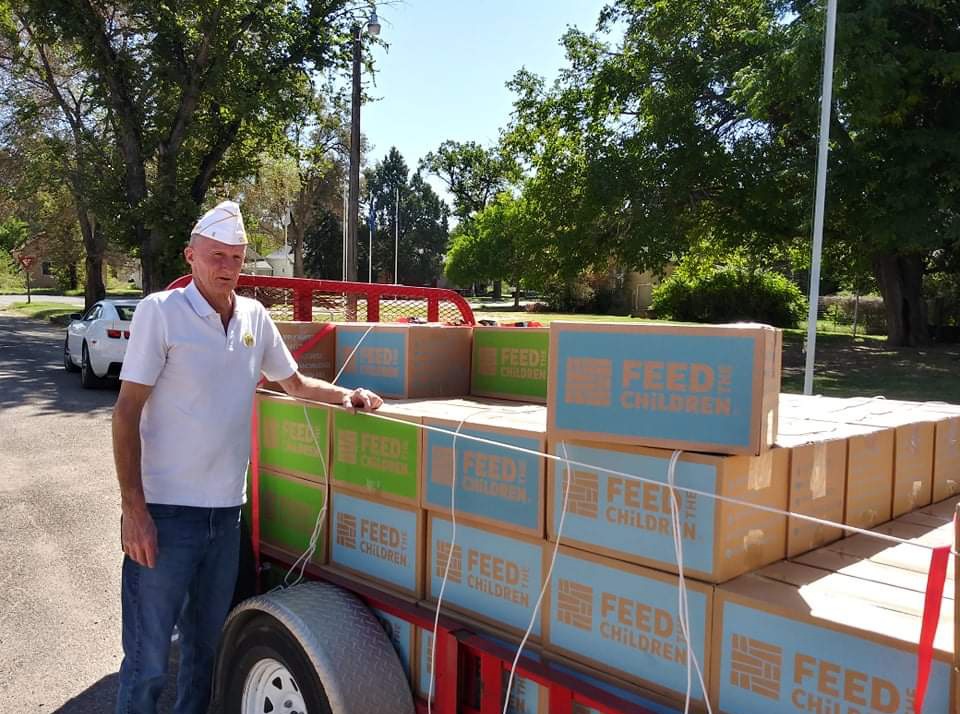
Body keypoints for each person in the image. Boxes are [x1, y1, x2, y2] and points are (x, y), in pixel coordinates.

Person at [112, 200, 382, 714]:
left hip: (225, 518)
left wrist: (348, 396)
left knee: (205, 654)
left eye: (235, 258)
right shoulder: (160, 313)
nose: (227, 268)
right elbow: (126, 412)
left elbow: (296, 384)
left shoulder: (255, 316)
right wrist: (134, 511)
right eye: (216, 256)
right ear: (191, 256)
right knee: (147, 662)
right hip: (165, 517)